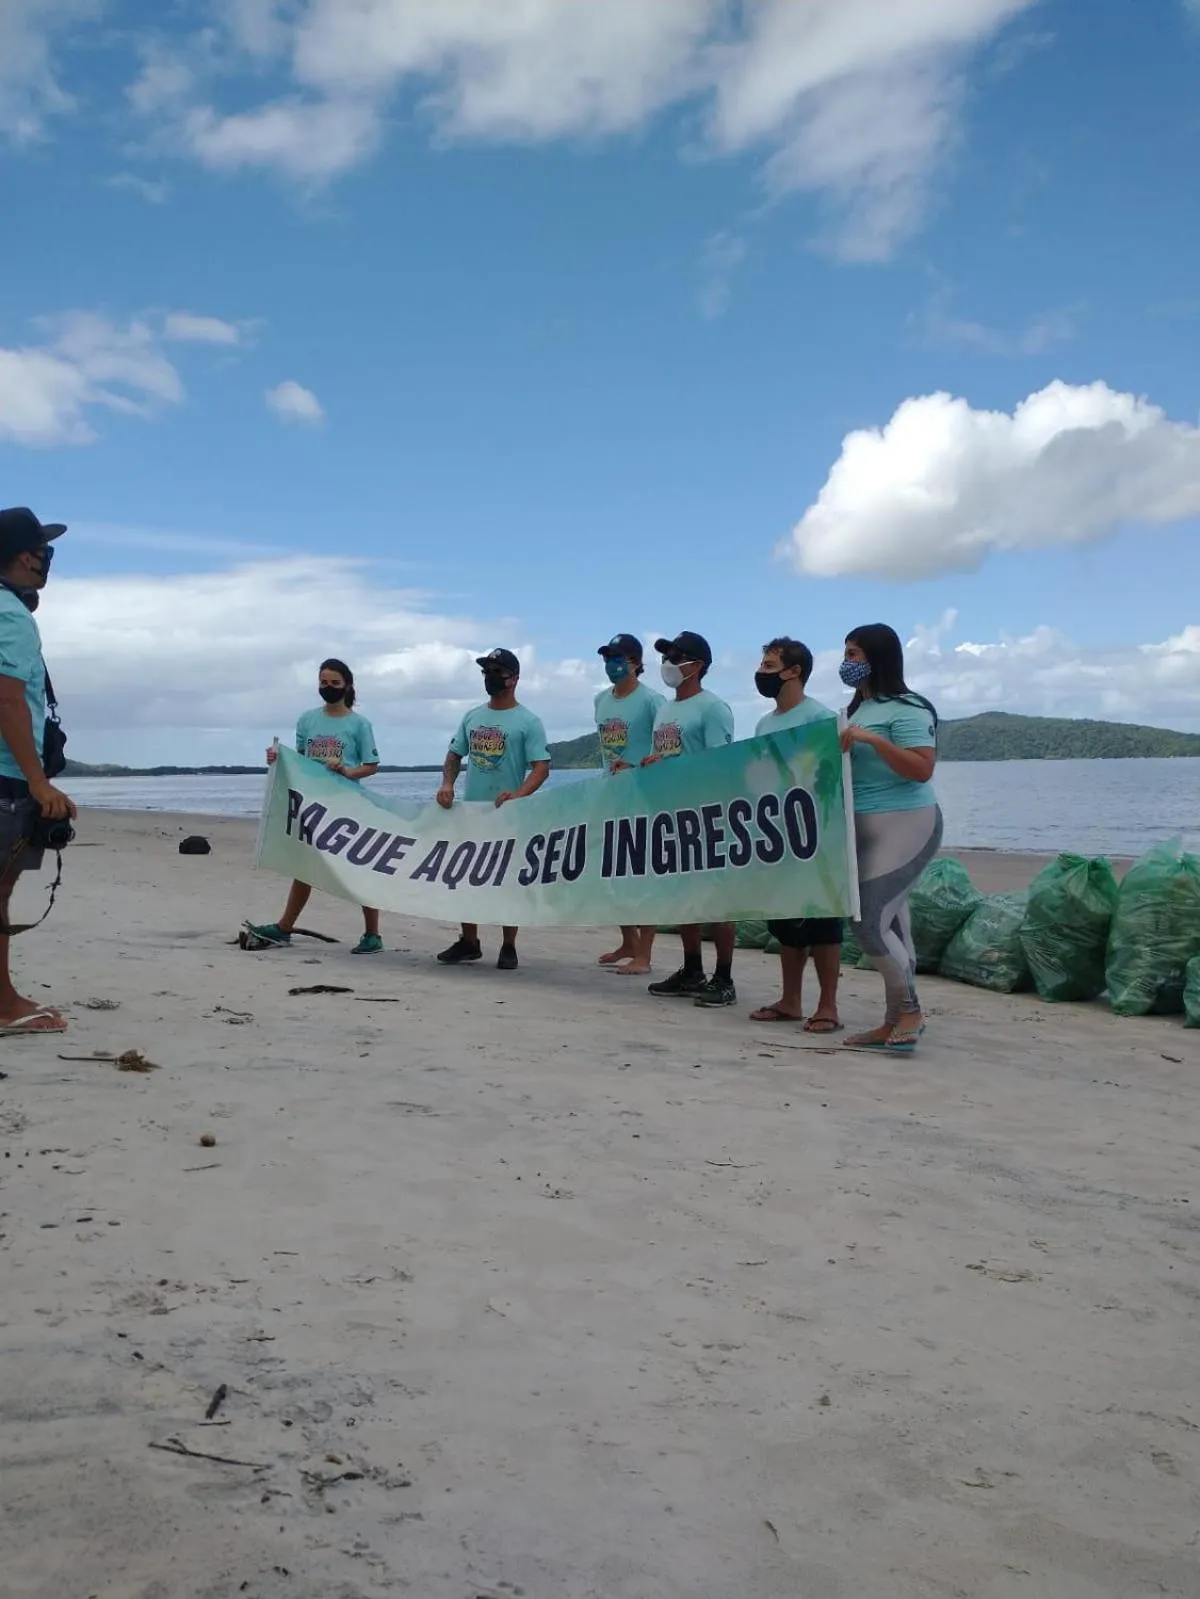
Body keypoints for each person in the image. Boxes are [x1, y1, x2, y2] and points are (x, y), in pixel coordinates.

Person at [839, 623, 942, 1054]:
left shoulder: (909, 708)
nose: (846, 663)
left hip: (907, 824)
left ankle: (911, 1012)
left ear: (878, 659)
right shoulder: (856, 710)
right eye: (846, 653)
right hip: (866, 829)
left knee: (869, 922)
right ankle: (891, 1021)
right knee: (893, 923)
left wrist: (872, 740)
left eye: (855, 654)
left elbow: (921, 768)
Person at [0, 507, 77, 1036]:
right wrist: (37, 779)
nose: (46, 560)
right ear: (26, 556)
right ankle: (3, 1005)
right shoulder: (10, 616)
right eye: (43, 550)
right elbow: (8, 701)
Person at [246, 659, 384, 954]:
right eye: (323, 682)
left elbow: (371, 765)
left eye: (335, 683)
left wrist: (347, 771)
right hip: (312, 805)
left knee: (359, 868)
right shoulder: (307, 720)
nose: (328, 688)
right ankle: (284, 928)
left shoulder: (359, 724)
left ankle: (373, 934)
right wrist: (275, 757)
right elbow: (298, 761)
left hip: (347, 805)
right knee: (305, 867)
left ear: (347, 685)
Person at [747, 637, 844, 1032]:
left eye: (770, 665)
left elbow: (829, 777)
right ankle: (790, 1000)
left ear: (794, 671)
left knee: (822, 920)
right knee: (786, 921)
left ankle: (828, 1006)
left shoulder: (818, 718)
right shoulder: (765, 724)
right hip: (778, 832)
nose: (762, 672)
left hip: (817, 833)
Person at [436, 648, 551, 971]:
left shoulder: (528, 721)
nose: (490, 677)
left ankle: (509, 945)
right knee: (464, 877)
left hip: (507, 815)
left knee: (508, 881)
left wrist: (519, 794)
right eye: (486, 671)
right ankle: (469, 941)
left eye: (496, 671)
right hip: (471, 812)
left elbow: (541, 767)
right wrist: (447, 785)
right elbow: (454, 756)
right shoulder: (472, 717)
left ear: (513, 678)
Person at [641, 631, 737, 1007]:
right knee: (684, 898)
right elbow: (661, 759)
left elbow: (723, 766)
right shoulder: (665, 710)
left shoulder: (713, 709)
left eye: (676, 656)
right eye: (667, 655)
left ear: (697, 666)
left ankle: (724, 977)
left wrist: (669, 765)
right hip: (671, 815)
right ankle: (692, 969)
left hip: (708, 816)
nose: (668, 663)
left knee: (718, 901)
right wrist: (637, 768)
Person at [593, 632, 664, 975]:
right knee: (614, 875)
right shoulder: (600, 701)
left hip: (644, 799)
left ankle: (644, 955)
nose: (611, 664)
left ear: (636, 663)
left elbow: (664, 749)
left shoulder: (653, 701)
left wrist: (639, 767)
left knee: (643, 877)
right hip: (611, 796)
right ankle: (628, 941)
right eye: (607, 657)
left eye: (618, 657)